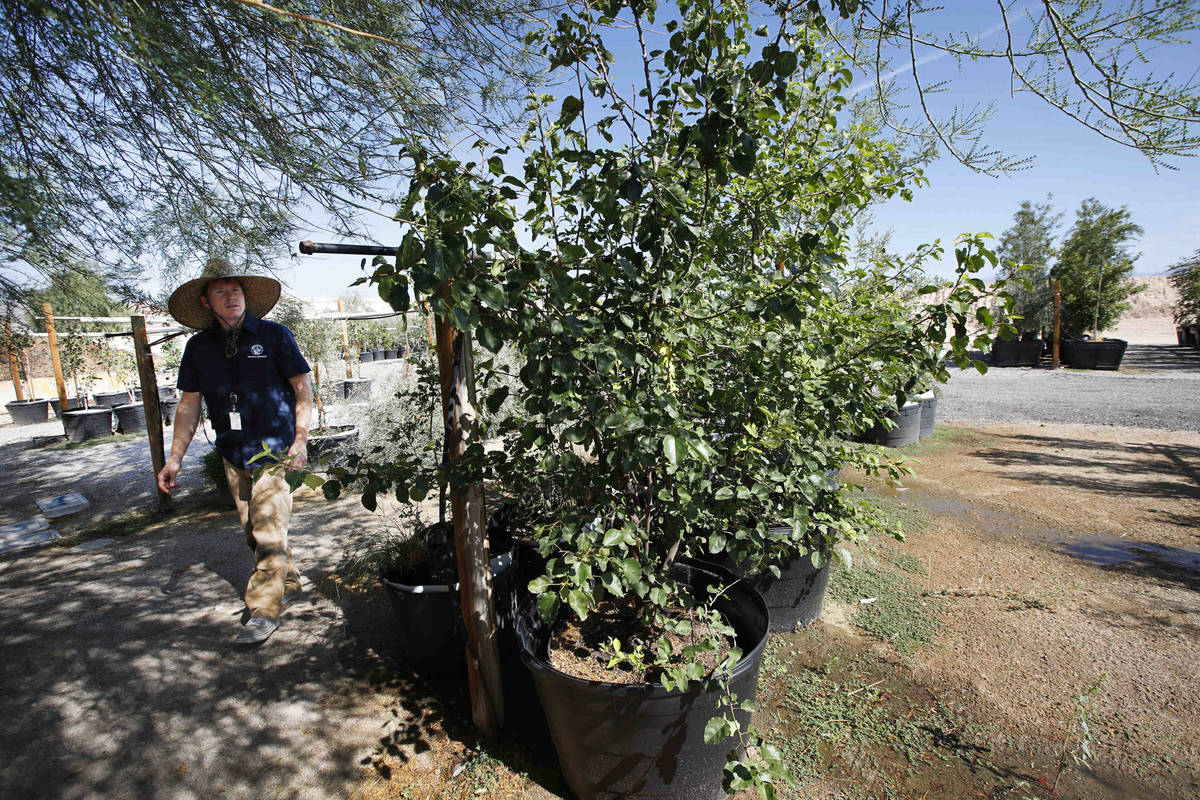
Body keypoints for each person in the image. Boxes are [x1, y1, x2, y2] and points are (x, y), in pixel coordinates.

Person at [157, 258, 313, 645]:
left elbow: (303, 389)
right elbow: (189, 404)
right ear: (207, 302)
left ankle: (262, 611)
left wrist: (300, 440)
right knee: (253, 531)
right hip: (232, 451)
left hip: (274, 452)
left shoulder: (275, 336)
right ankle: (288, 579)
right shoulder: (198, 348)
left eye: (237, 291)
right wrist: (174, 457)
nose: (232, 298)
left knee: (267, 529)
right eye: (221, 292)